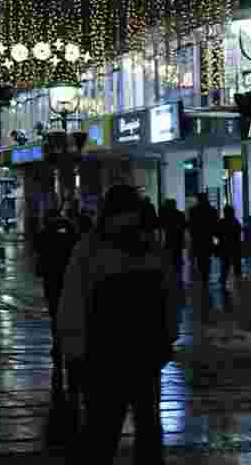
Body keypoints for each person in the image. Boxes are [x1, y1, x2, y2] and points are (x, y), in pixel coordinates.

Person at [57, 184, 180, 462]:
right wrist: (168, 338)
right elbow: (171, 297)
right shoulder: (151, 249)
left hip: (103, 356)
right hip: (145, 356)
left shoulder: (90, 249)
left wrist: (74, 352)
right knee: (148, 428)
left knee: (102, 431)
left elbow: (73, 303)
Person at [35, 202, 80, 391]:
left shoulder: (46, 231)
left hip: (52, 278)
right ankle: (67, 344)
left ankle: (58, 344)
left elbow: (39, 250)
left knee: (55, 312)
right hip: (68, 277)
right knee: (69, 313)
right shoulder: (70, 228)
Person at [190, 193, 217, 283]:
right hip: (208, 237)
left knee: (200, 257)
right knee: (207, 256)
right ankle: (206, 274)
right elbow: (215, 224)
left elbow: (191, 225)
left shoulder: (193, 210)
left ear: (198, 199)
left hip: (197, 237)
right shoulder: (212, 210)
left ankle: (202, 274)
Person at [216, 204, 243, 288]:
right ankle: (238, 282)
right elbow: (238, 234)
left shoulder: (221, 222)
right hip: (235, 247)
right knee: (236, 265)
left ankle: (223, 280)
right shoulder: (236, 222)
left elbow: (217, 234)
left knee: (225, 265)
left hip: (224, 247)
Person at [160, 198, 186, 275]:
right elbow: (184, 225)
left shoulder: (167, 215)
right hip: (178, 235)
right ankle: (178, 264)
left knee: (172, 251)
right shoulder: (180, 214)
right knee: (178, 250)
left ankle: (173, 265)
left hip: (170, 235)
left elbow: (163, 224)